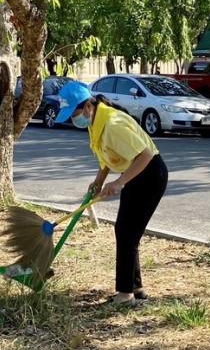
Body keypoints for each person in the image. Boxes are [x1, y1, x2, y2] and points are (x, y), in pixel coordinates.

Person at [56, 80, 168, 305]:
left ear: (88, 106)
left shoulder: (113, 124)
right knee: (125, 231)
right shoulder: (96, 122)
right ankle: (135, 289)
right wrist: (99, 180)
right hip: (135, 174)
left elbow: (145, 155)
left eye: (73, 113)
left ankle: (125, 295)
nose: (72, 119)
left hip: (149, 174)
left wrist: (119, 182)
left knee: (128, 233)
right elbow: (107, 156)